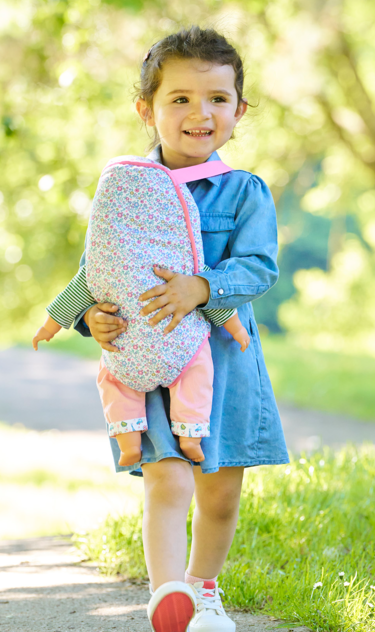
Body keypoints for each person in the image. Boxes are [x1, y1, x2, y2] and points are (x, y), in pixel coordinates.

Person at [75, 26, 288, 632]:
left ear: (239, 111)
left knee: (218, 490)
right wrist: (93, 316)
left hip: (222, 363)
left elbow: (258, 267)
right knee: (165, 477)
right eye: (181, 99)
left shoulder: (244, 190)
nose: (201, 113)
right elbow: (101, 263)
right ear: (147, 109)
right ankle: (168, 595)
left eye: (219, 99)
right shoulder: (128, 189)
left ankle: (204, 585)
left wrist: (203, 287)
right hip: (151, 362)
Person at [32, 159, 252, 467]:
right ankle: (191, 436)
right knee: (196, 375)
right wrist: (238, 330)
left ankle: (128, 442)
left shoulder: (103, 262)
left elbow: (71, 296)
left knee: (114, 382)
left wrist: (48, 327)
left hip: (126, 348)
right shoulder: (180, 258)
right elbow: (216, 300)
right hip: (181, 344)